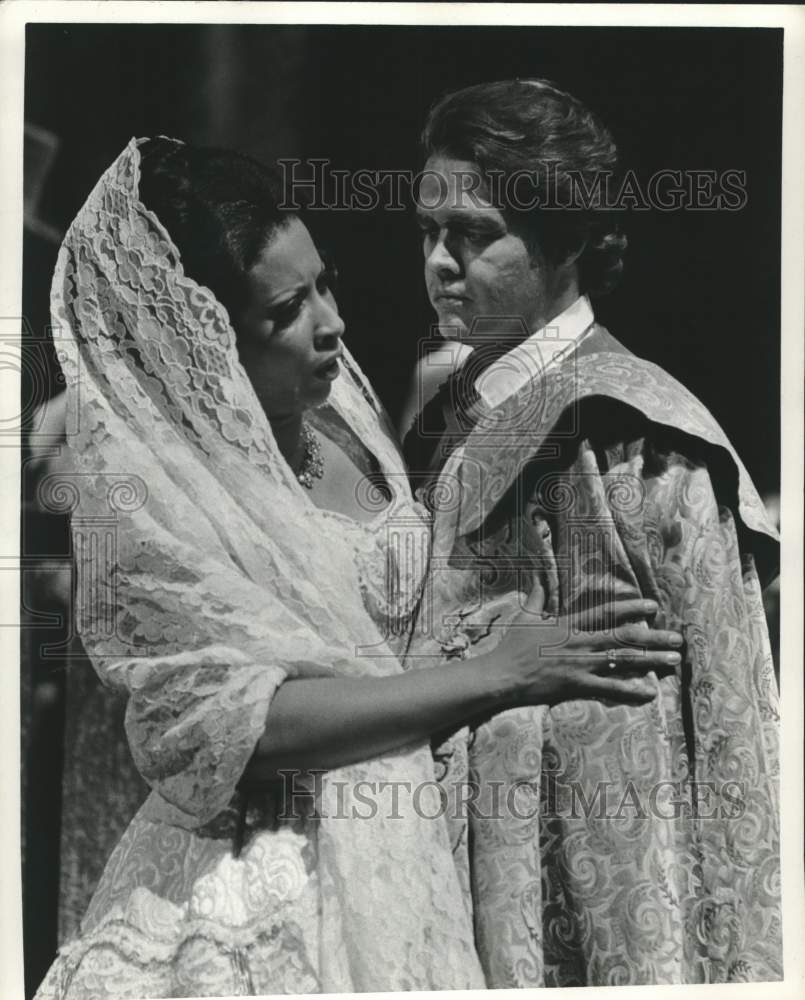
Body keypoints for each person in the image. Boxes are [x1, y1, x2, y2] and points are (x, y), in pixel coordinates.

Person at [33, 136, 683, 998]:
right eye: (284, 312)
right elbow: (238, 730)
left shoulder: (335, 400)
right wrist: (493, 676)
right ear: (199, 346)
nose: (331, 323)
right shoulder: (154, 492)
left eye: (324, 283)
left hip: (407, 835)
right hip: (270, 888)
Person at [402, 79, 781, 986]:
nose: (441, 264)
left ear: (565, 238)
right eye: (428, 233)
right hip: (459, 843)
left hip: (598, 864)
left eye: (475, 234)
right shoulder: (456, 406)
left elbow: (732, 713)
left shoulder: (633, 427)